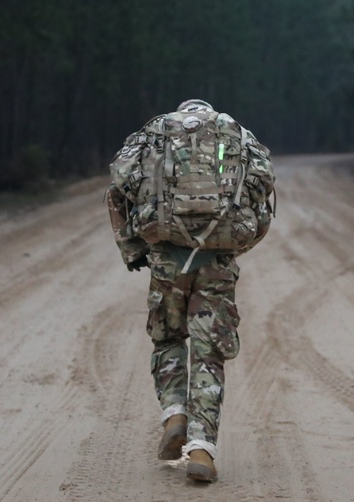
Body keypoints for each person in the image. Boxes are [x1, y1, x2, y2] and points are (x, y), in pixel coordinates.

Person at [106, 99, 274, 483]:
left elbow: (119, 187)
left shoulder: (154, 133)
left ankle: (174, 414)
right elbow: (262, 188)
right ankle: (202, 451)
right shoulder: (235, 133)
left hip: (166, 257)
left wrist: (133, 250)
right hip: (217, 260)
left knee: (168, 340)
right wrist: (239, 244)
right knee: (209, 354)